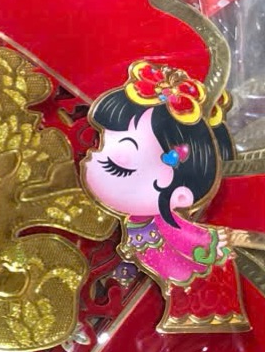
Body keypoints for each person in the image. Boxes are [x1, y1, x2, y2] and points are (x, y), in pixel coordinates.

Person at [80, 62, 249, 333]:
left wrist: (216, 241)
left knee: (190, 295)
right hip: (165, 279)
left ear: (180, 195)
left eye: (117, 167)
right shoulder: (140, 221)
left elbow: (191, 240)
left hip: (197, 285)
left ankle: (192, 317)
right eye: (100, 148)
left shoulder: (164, 224)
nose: (90, 159)